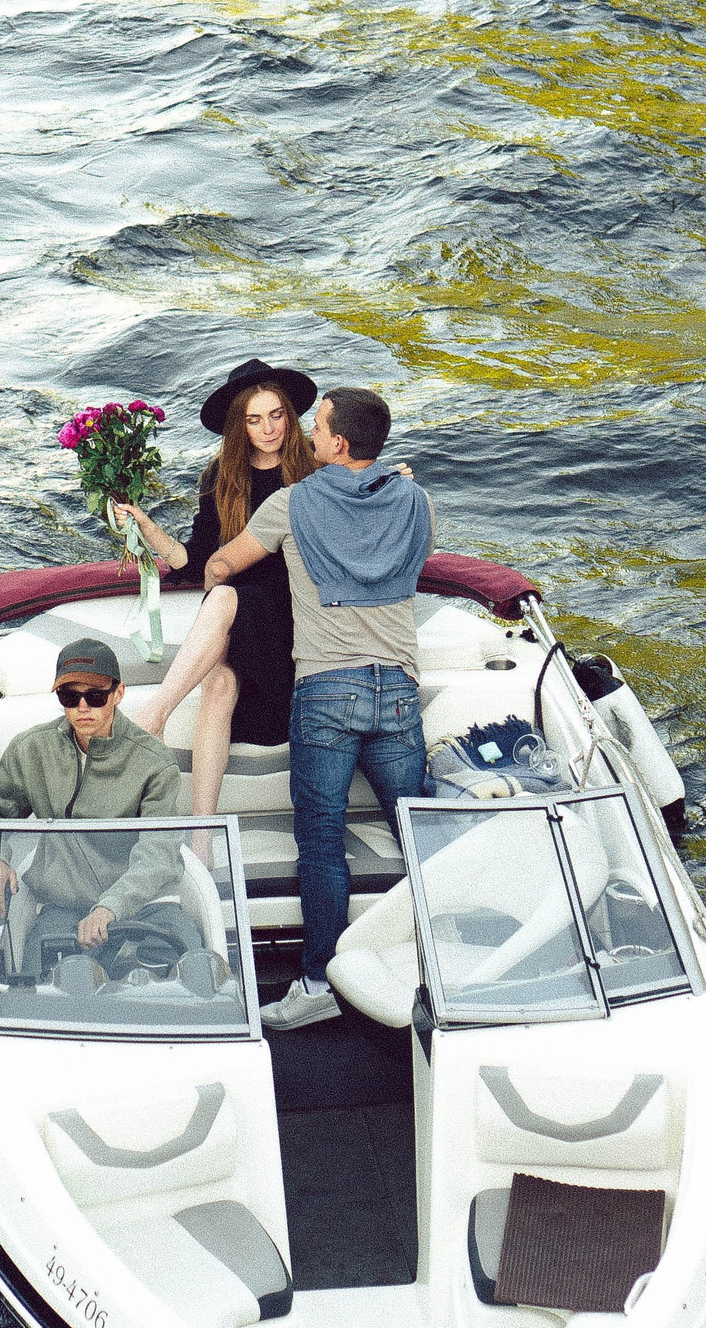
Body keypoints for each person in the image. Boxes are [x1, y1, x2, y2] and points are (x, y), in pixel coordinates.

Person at [201, 386, 432, 1030]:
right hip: (398, 687)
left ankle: (316, 984)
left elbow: (223, 562)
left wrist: (216, 583)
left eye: (319, 424)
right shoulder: (414, 498)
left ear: (337, 443)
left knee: (322, 843)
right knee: (421, 833)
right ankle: (441, 962)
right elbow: (413, 561)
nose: (308, 431)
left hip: (327, 690)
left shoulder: (290, 502)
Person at [113, 358, 317, 816]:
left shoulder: (315, 466)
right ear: (239, 425)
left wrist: (390, 481)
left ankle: (153, 717)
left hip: (291, 614)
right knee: (219, 683)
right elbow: (196, 559)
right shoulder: (221, 475)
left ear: (289, 415)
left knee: (222, 595)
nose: (268, 428)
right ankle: (203, 832)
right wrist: (147, 527)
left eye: (276, 415)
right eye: (254, 419)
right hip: (234, 615)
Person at [0, 636, 192, 980]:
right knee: (41, 991)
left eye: (95, 696)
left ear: (118, 693)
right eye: (69, 696)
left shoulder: (155, 762)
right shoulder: (30, 750)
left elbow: (158, 854)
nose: (82, 707)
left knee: (187, 981)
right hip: (64, 908)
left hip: (147, 906)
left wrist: (109, 907)